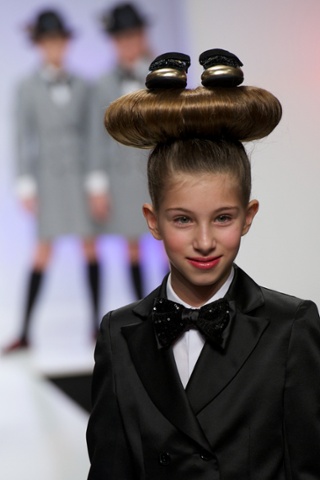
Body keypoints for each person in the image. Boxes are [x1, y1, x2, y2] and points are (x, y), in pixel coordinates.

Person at [86, 49, 320, 479]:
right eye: (182, 220)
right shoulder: (119, 334)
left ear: (248, 216)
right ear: (153, 221)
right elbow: (108, 468)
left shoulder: (291, 326)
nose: (205, 241)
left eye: (223, 218)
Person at [3, 10, 101, 353]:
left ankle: (96, 325)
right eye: (48, 42)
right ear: (39, 45)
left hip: (78, 177)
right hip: (47, 179)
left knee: (90, 246)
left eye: (58, 41)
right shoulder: (27, 88)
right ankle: (25, 331)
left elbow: (92, 134)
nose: (54, 48)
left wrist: (96, 181)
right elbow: (21, 136)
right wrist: (25, 183)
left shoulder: (84, 86)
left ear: (66, 42)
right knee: (43, 250)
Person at [88, 2, 155, 300]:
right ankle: (144, 311)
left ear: (142, 36)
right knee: (132, 244)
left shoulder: (160, 77)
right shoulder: (102, 84)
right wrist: (98, 186)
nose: (128, 43)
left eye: (133, 36)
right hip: (122, 176)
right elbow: (96, 135)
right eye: (121, 38)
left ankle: (178, 308)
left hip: (157, 169)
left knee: (171, 240)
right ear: (113, 41)